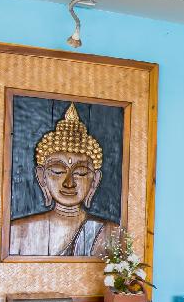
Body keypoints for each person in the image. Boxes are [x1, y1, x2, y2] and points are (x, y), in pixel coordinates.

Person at [9, 103, 114, 256]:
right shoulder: (16, 232)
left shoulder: (110, 232)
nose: (68, 183)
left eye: (81, 172)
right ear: (41, 176)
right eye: (57, 171)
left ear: (95, 180)